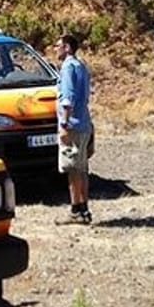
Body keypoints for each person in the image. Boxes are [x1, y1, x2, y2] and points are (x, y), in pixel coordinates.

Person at [55, 33, 93, 225]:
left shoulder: (68, 67)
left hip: (73, 126)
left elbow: (67, 98)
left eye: (58, 45)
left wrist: (64, 125)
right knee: (82, 168)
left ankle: (76, 210)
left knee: (73, 169)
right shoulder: (81, 66)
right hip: (84, 123)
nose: (56, 49)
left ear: (68, 47)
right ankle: (84, 208)